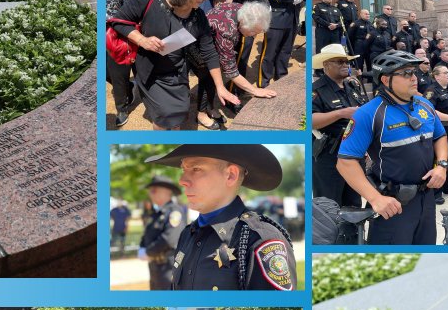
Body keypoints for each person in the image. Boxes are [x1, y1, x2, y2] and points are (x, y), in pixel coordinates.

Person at [144, 144, 296, 290]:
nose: (182, 180)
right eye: (184, 169)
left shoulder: (259, 240)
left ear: (230, 175)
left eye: (196, 169)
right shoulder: (187, 234)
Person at [109, 0, 238, 130]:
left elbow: (209, 52)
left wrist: (220, 87)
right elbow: (119, 21)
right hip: (151, 72)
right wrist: (142, 40)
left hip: (178, 72)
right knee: (164, 116)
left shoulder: (198, 16)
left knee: (180, 112)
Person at [337, 49, 448, 244]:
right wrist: (375, 199)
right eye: (406, 73)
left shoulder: (424, 104)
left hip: (427, 198)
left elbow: (440, 136)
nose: (414, 78)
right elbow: (345, 162)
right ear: (386, 80)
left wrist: (442, 165)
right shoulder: (369, 114)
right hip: (393, 203)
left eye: (414, 72)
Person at [312, 44, 367, 206]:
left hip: (355, 153)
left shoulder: (352, 86)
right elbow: (310, 120)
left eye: (346, 62)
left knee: (354, 204)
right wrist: (340, 113)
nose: (345, 65)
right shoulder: (316, 90)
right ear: (326, 65)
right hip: (330, 155)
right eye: (339, 62)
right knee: (329, 205)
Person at [205, 0, 277, 123]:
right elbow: (231, 71)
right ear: (243, 23)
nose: (253, 36)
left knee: (214, 77)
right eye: (253, 32)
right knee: (208, 77)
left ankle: (207, 105)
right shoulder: (227, 31)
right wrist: (255, 90)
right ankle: (204, 109)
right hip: (199, 47)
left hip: (211, 39)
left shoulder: (243, 10)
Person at [258, 0, 305, 87]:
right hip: (277, 16)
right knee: (270, 52)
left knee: (285, 51)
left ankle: (281, 79)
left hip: (292, 15)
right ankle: (264, 83)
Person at [139, 174, 187, 290]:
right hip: (155, 267)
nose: (150, 194)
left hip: (169, 267)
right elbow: (147, 233)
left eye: (154, 191)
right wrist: (142, 247)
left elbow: (169, 239)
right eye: (150, 191)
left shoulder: (174, 211)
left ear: (167, 192)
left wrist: (148, 252)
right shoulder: (156, 213)